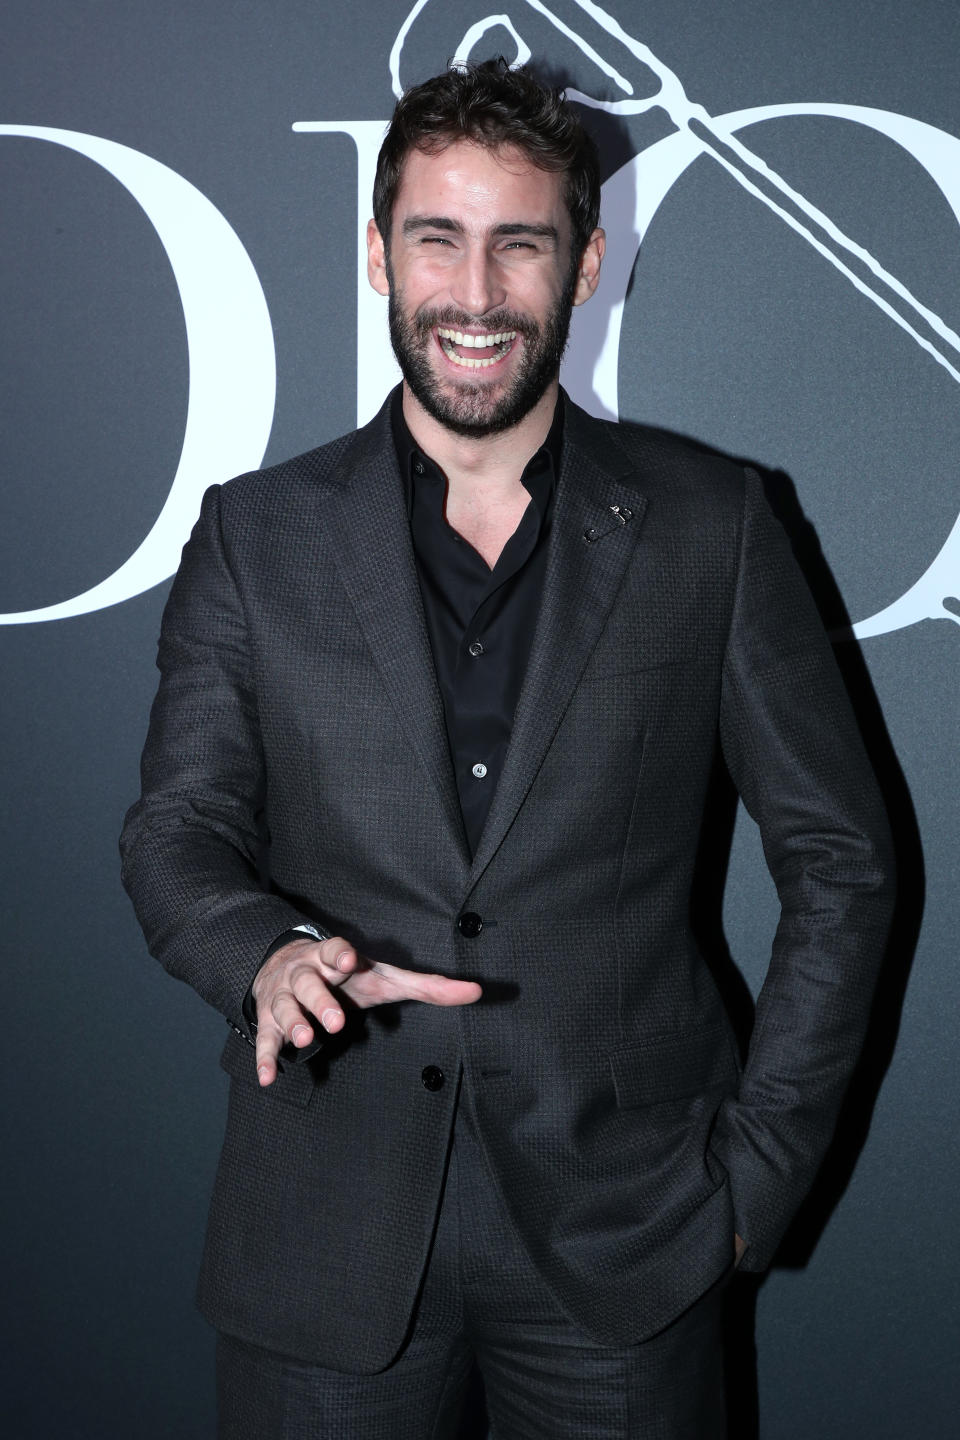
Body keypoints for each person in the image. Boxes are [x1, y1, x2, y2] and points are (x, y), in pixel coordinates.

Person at [121, 59, 894, 1440]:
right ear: (378, 253)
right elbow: (175, 832)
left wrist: (753, 1183)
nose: (474, 295)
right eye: (437, 238)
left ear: (585, 264)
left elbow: (841, 863)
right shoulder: (258, 535)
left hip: (632, 1239)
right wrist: (267, 953)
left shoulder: (713, 524)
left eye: (519, 243)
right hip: (326, 1249)